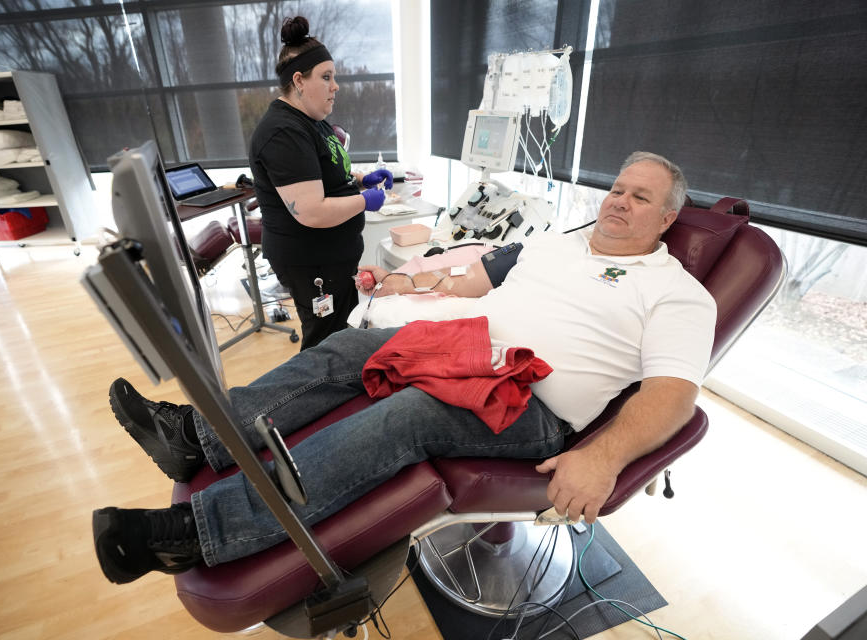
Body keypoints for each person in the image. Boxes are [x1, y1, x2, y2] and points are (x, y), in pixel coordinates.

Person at [92, 152, 717, 585]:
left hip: (534, 407)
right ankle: (196, 438)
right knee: (349, 346)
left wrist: (602, 457)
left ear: (667, 219)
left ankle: (193, 533)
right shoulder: (555, 244)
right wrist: (400, 281)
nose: (620, 201)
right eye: (617, 188)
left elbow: (674, 396)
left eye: (641, 197)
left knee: (408, 415)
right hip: (468, 350)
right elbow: (469, 278)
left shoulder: (677, 292)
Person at [248, 16, 393, 350]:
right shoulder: (283, 132)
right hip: (311, 262)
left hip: (332, 257)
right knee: (323, 348)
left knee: (339, 339)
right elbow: (311, 210)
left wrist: (359, 180)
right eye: (326, 77)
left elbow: (323, 174)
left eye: (334, 77)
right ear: (299, 80)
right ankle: (301, 399)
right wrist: (365, 200)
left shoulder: (313, 120)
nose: (335, 86)